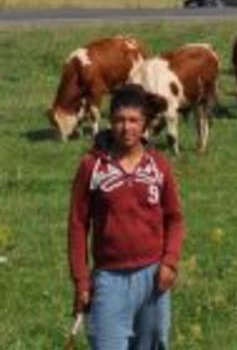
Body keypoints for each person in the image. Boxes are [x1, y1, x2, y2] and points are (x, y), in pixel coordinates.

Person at [67, 83, 184, 349]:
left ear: (145, 124)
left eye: (134, 120)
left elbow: (174, 218)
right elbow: (77, 224)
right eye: (119, 120)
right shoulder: (92, 166)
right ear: (110, 122)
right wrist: (81, 280)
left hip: (154, 277)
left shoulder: (158, 165)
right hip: (109, 279)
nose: (126, 127)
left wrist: (170, 261)